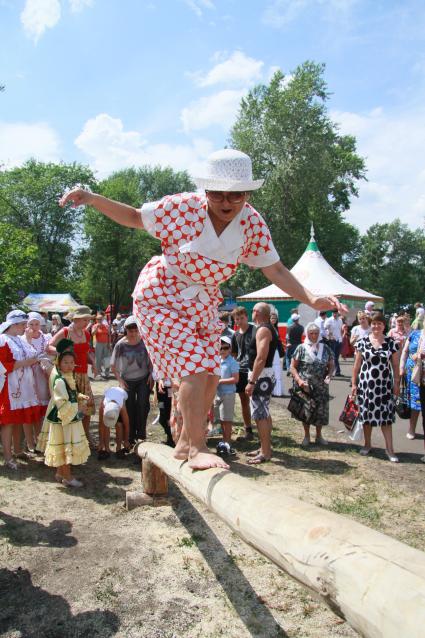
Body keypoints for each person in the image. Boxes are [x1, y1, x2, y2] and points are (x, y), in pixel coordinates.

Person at [61, 148, 345, 470]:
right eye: (218, 195)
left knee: (210, 371)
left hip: (203, 301)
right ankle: (197, 447)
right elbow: (134, 217)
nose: (226, 203)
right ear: (205, 191)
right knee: (194, 367)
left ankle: (183, 443)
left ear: (247, 194)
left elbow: (276, 270)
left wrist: (311, 298)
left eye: (236, 196)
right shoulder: (183, 208)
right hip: (162, 295)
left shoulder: (252, 225)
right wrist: (92, 198)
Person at [38, 339, 90, 487]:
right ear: (59, 362)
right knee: (65, 446)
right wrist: (79, 410)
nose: (69, 365)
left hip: (65, 415)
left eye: (71, 362)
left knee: (62, 446)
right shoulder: (59, 378)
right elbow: (62, 401)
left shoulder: (66, 376)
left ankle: (60, 473)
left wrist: (79, 396)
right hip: (64, 417)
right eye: (66, 362)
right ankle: (67, 476)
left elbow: (70, 393)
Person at [351, 311, 400, 462]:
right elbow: (357, 365)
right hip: (366, 386)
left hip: (384, 386)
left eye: (379, 323)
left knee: (386, 418)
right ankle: (367, 444)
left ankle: (390, 450)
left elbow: (396, 365)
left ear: (384, 326)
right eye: (374, 323)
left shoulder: (391, 342)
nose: (376, 326)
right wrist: (354, 384)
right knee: (366, 417)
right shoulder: (363, 341)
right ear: (370, 325)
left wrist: (397, 383)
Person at [48, 306, 97, 446]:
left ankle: (86, 435)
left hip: (83, 375)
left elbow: (85, 352)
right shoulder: (65, 332)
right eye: (85, 320)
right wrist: (62, 354)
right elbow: (49, 346)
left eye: (88, 320)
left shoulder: (86, 334)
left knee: (87, 406)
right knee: (70, 406)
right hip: (68, 376)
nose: (87, 322)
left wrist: (92, 362)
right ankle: (71, 439)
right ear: (76, 319)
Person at [0, 311, 42, 469]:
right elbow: (4, 366)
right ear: (14, 324)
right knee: (9, 421)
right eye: (23, 325)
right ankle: (8, 456)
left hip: (23, 385)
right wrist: (28, 362)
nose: (26, 328)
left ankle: (17, 450)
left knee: (18, 419)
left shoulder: (19, 340)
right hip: (9, 386)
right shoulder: (3, 340)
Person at [110, 315, 153, 445]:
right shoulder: (120, 345)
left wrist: (151, 373)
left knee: (142, 405)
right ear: (126, 330)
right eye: (130, 331)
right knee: (129, 407)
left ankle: (141, 434)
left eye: (136, 331)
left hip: (143, 379)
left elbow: (152, 359)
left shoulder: (145, 341)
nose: (133, 334)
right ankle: (130, 435)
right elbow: (113, 365)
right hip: (127, 379)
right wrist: (120, 380)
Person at [290, 323, 334, 446]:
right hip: (306, 386)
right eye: (311, 333)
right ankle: (306, 436)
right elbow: (292, 367)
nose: (314, 335)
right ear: (307, 334)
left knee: (320, 411)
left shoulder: (325, 348)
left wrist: (329, 374)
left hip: (321, 386)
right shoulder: (301, 348)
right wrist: (299, 380)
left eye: (316, 333)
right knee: (306, 411)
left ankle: (319, 436)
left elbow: (331, 364)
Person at [245, 303, 278, 464]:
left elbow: (261, 358)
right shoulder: (266, 328)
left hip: (261, 376)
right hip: (264, 374)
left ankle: (265, 452)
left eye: (253, 311)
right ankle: (265, 447)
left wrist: (252, 381)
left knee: (260, 415)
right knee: (264, 413)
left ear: (256, 312)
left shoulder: (263, 329)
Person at [23, 312, 52, 437]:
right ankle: (34, 437)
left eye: (37, 324)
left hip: (44, 374)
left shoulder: (46, 337)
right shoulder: (23, 339)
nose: (34, 327)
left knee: (45, 405)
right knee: (33, 406)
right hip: (28, 375)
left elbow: (51, 353)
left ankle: (44, 436)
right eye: (31, 324)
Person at [231, 306, 255, 441]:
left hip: (254, 370)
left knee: (257, 400)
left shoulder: (255, 330)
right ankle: (248, 430)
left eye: (241, 318)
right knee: (244, 401)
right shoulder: (235, 335)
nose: (239, 321)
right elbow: (234, 354)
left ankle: (263, 428)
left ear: (247, 317)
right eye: (236, 319)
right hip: (241, 370)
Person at [400, 323, 425, 445]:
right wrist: (401, 368)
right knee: (415, 404)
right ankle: (412, 429)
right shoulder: (415, 334)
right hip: (413, 375)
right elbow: (405, 351)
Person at [214, 336, 239, 457]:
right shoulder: (217, 360)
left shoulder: (232, 362)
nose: (222, 350)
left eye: (225, 348)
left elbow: (235, 379)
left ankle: (227, 442)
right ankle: (223, 441)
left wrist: (219, 381)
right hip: (217, 393)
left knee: (226, 420)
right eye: (220, 348)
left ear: (230, 349)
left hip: (228, 394)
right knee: (219, 419)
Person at [97, 386, 131, 460]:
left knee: (119, 425)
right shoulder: (102, 406)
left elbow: (127, 425)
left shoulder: (122, 407)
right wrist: (100, 442)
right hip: (110, 399)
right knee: (105, 426)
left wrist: (126, 441)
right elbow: (101, 426)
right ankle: (106, 449)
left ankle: (118, 449)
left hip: (119, 399)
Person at [270, 308, 285, 397]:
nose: (273, 320)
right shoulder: (269, 328)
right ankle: (273, 390)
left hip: (276, 352)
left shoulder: (275, 328)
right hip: (271, 352)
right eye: (272, 318)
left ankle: (277, 391)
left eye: (275, 319)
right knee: (273, 370)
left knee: (277, 371)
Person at [92, 313, 111, 379]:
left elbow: (109, 335)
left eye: (100, 319)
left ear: (102, 319)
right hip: (98, 343)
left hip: (106, 343)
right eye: (98, 319)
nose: (99, 320)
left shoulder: (106, 326)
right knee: (98, 359)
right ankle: (98, 373)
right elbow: (92, 334)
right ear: (96, 320)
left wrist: (109, 343)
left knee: (107, 358)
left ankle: (107, 372)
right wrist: (97, 327)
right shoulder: (94, 326)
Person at [325, 309, 343, 376]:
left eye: (335, 313)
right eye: (333, 313)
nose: (334, 314)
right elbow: (325, 329)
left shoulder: (340, 320)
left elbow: (340, 329)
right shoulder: (329, 320)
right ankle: (336, 371)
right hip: (332, 340)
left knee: (336, 357)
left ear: (338, 313)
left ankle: (335, 371)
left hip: (339, 340)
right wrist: (330, 335)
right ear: (332, 313)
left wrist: (341, 337)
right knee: (333, 356)